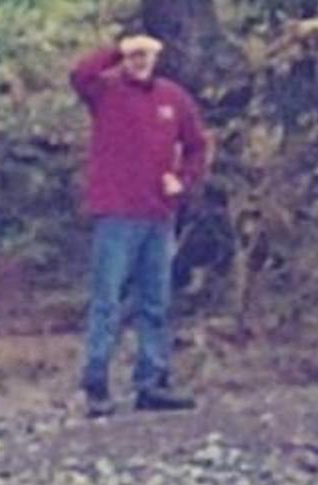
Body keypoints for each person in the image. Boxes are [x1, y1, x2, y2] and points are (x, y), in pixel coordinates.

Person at [69, 34, 209, 417]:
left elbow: (197, 145)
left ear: (157, 58)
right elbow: (79, 74)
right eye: (134, 54)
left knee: (155, 302)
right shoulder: (105, 91)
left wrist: (183, 179)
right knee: (107, 301)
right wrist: (116, 49)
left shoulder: (173, 98)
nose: (140, 60)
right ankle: (96, 385)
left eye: (146, 54)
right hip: (115, 213)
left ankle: (152, 382)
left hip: (158, 215)